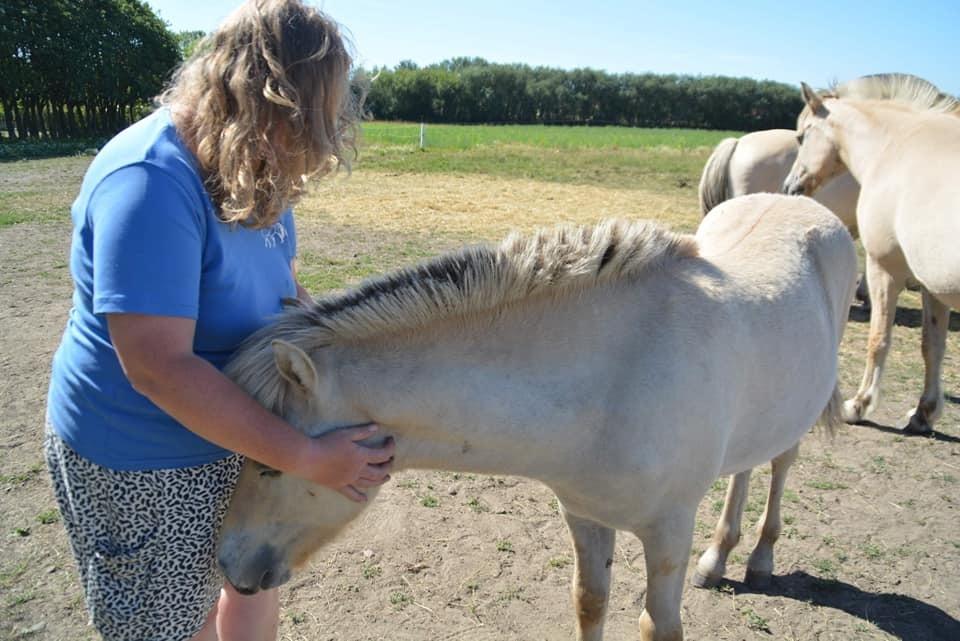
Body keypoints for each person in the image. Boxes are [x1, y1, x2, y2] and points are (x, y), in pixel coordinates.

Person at [43, 2, 395, 640]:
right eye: (304, 122)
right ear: (263, 102)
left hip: (238, 430)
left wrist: (332, 356)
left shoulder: (256, 167)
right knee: (175, 625)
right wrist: (308, 456)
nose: (315, 144)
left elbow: (282, 284)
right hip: (144, 462)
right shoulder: (151, 180)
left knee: (249, 578)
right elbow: (157, 366)